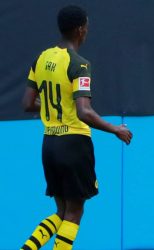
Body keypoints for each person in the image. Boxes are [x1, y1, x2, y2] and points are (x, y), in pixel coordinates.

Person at [21, 5, 132, 250]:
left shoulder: (42, 58)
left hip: (49, 144)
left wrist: (56, 107)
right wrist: (116, 129)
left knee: (61, 211)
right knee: (75, 212)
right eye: (87, 26)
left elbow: (27, 103)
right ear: (81, 30)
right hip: (73, 145)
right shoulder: (79, 65)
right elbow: (84, 111)